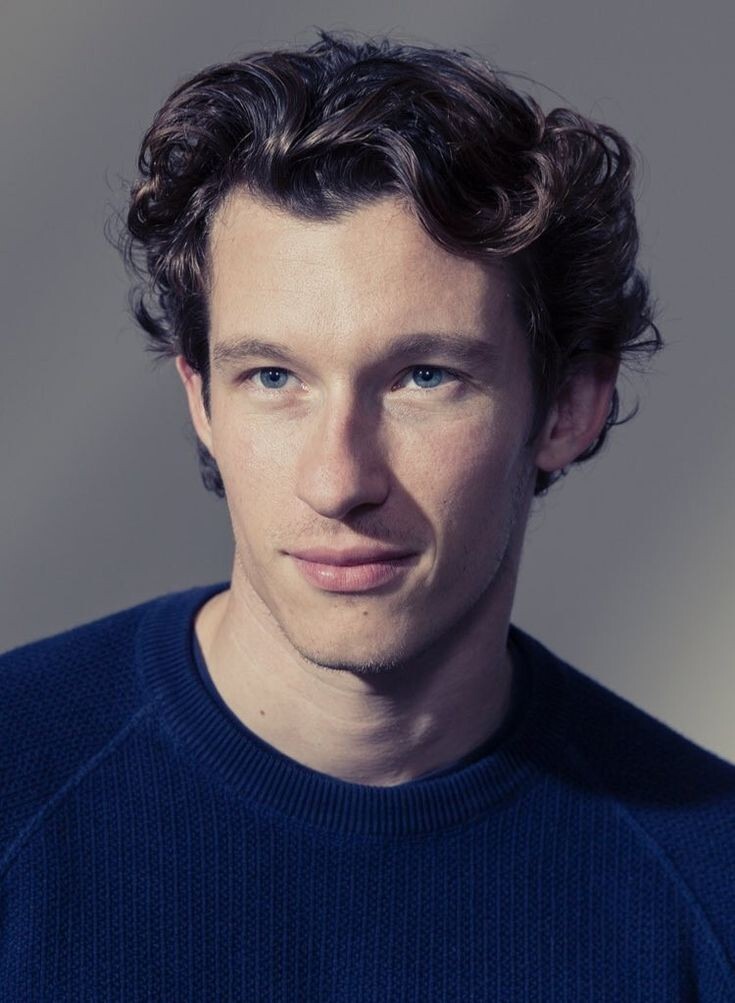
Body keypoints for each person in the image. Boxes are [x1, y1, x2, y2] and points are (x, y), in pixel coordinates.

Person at [1, 30, 733, 1001]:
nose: (338, 479)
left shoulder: (710, 884)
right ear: (200, 400)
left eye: (423, 377)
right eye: (273, 377)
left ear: (568, 407)